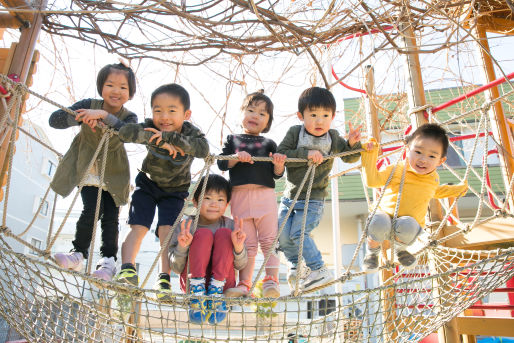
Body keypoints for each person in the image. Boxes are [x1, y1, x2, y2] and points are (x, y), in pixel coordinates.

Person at [115, 83, 209, 301]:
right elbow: (125, 132)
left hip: (175, 191)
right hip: (147, 183)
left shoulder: (190, 133)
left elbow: (203, 150)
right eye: (158, 110)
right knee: (138, 226)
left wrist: (169, 138)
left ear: (186, 114)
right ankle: (127, 269)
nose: (164, 116)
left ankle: (163, 280)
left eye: (171, 111)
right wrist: (152, 136)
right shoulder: (150, 126)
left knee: (166, 232)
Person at [50, 63, 137, 281]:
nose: (116, 91)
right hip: (89, 170)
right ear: (101, 87)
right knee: (90, 210)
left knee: (111, 217)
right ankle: (78, 253)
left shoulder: (129, 116)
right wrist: (80, 116)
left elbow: (131, 134)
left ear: (130, 93)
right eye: (110, 85)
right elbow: (54, 120)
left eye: (123, 87)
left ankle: (108, 262)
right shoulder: (88, 104)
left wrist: (104, 117)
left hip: (115, 174)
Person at [277, 86, 362, 292]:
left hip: (313, 198)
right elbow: (282, 154)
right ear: (301, 116)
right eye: (313, 115)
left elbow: (349, 157)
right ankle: (298, 267)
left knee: (299, 233)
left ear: (332, 117)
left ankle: (320, 269)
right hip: (290, 195)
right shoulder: (295, 133)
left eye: (325, 115)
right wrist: (306, 153)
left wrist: (352, 144)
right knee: (282, 234)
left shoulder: (332, 137)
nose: (319, 121)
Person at [361, 123, 468, 271]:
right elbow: (372, 181)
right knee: (379, 221)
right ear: (407, 149)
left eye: (431, 156)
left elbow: (436, 192)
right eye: (418, 152)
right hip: (384, 216)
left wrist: (458, 189)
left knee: (410, 225)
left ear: (440, 161)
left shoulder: (432, 179)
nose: (423, 159)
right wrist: (370, 155)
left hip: (406, 226)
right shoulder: (397, 169)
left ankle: (400, 250)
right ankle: (372, 252)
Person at [217, 91, 286, 298]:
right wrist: (236, 157)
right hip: (239, 196)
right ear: (241, 113)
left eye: (262, 114)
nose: (255, 116)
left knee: (269, 239)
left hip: (264, 196)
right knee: (247, 243)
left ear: (268, 122)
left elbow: (277, 175)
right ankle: (244, 284)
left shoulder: (269, 144)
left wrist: (279, 164)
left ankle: (271, 280)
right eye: (251, 110)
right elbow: (221, 162)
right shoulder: (233, 139)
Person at [169, 174, 247, 325]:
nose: (214, 204)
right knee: (203, 235)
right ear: (195, 201)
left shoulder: (231, 226)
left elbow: (241, 265)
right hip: (192, 283)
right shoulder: (185, 227)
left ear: (227, 204)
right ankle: (197, 295)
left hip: (223, 285)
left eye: (220, 200)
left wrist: (238, 247)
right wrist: (182, 246)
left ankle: (216, 294)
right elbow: (176, 267)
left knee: (225, 235)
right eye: (207, 198)